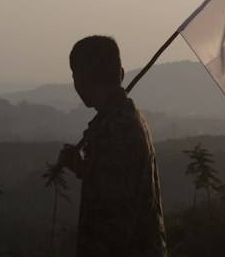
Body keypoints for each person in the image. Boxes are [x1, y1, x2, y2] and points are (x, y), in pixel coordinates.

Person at [58, 35, 167, 257]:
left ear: (82, 79)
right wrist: (82, 169)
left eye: (75, 75)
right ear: (121, 74)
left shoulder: (115, 130)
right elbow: (112, 183)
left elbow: (114, 217)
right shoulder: (124, 120)